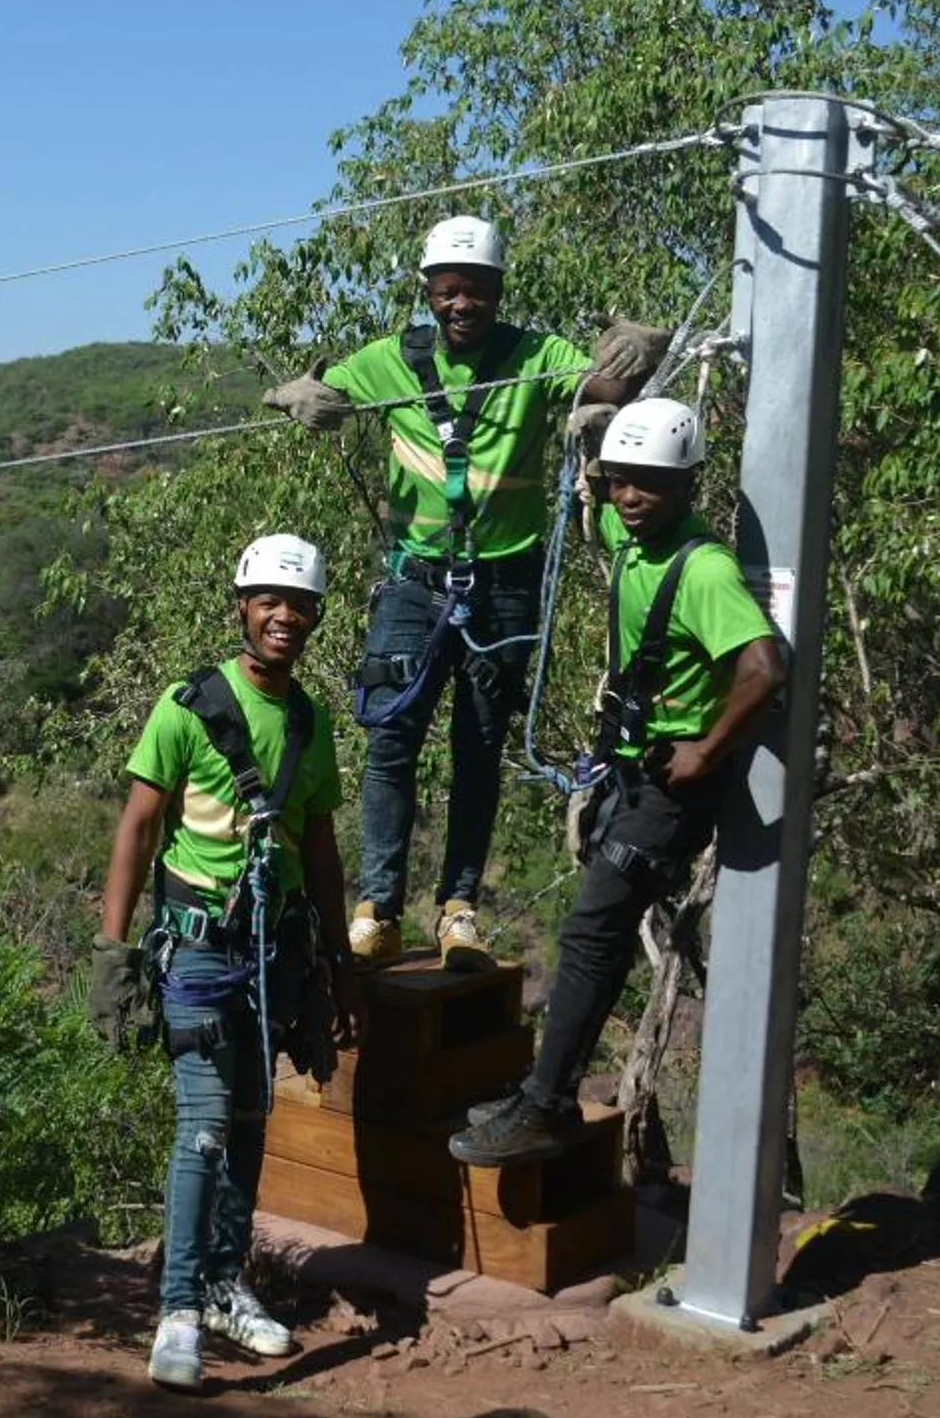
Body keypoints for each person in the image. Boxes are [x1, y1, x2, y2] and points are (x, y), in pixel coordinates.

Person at [264, 215, 667, 970]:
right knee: (391, 742)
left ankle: (458, 909)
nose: (460, 305)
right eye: (447, 291)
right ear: (427, 293)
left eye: (474, 291)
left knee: (478, 749)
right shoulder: (390, 361)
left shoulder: (533, 355)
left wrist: (640, 355)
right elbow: (315, 394)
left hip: (503, 584)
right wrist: (300, 397)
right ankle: (377, 908)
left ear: (496, 291)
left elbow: (603, 383)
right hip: (415, 584)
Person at [449, 396, 784, 1166]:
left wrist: (704, 750)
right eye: (621, 482)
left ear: (690, 486)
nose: (630, 499)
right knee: (592, 936)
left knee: (594, 936)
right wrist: (597, 420)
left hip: (669, 788)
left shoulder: (701, 569)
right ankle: (544, 1097)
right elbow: (589, 494)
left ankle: (545, 1105)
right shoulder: (627, 533)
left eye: (650, 486)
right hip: (631, 775)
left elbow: (765, 666)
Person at [91, 533, 358, 1391]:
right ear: (242, 606)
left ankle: (221, 1283)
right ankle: (176, 1310)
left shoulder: (311, 722)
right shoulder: (187, 707)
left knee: (249, 1125)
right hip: (199, 946)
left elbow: (318, 850)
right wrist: (112, 948)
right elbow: (137, 826)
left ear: (315, 615)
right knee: (203, 1123)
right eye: (269, 602)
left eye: (300, 604)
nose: (285, 616)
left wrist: (335, 964)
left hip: (272, 949)